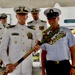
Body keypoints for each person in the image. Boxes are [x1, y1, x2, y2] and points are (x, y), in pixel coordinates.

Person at [0, 6, 40, 75]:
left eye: (24, 14)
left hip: (27, 67)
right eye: (19, 14)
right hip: (13, 67)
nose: (22, 16)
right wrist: (7, 63)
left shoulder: (32, 31)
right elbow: (2, 49)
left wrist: (37, 49)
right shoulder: (9, 30)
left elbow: (34, 49)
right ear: (16, 16)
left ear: (27, 17)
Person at [40, 8, 75, 75]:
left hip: (64, 65)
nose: (51, 20)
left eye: (54, 18)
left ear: (58, 18)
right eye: (49, 18)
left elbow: (73, 50)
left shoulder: (66, 31)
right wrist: (43, 70)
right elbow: (43, 53)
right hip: (50, 66)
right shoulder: (45, 35)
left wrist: (73, 66)